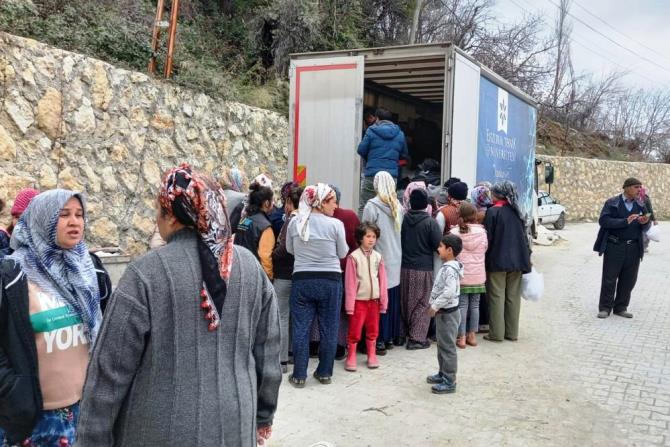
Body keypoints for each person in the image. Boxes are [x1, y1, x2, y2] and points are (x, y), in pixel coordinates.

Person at [75, 164, 281, 446]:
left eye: (159, 211)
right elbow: (269, 352)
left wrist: (92, 439)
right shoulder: (249, 267)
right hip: (235, 424)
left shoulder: (145, 274)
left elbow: (108, 374)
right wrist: (264, 415)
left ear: (171, 217)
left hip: (156, 430)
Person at [0, 189, 110, 446]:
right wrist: (13, 392)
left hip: (84, 413)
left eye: (79, 214)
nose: (75, 222)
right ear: (41, 219)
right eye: (63, 215)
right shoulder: (12, 274)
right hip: (32, 419)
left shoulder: (90, 270)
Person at [286, 184, 348, 388]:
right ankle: (324, 372)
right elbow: (342, 253)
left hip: (302, 280)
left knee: (301, 327)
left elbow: (289, 249)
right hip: (330, 281)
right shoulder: (336, 225)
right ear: (321, 202)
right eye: (332, 201)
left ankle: (299, 374)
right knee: (329, 327)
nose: (336, 205)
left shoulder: (295, 222)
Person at [594, 177, 650, 319]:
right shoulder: (612, 203)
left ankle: (621, 307)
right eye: (636, 187)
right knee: (609, 278)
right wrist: (624, 221)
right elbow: (604, 221)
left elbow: (646, 226)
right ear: (626, 188)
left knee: (629, 279)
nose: (639, 190)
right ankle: (605, 308)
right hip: (614, 245)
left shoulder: (641, 204)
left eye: (640, 187)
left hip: (633, 247)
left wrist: (645, 222)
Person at [483, 181, 531, 343]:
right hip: (517, 261)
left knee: (496, 295)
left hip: (498, 260)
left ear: (497, 194)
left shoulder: (493, 212)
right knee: (513, 296)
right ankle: (512, 333)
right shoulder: (517, 211)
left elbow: (487, 238)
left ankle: (496, 334)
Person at [362, 171, 404, 350]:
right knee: (392, 298)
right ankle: (389, 337)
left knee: (378, 300)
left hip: (379, 257)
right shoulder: (398, 206)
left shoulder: (371, 206)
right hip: (396, 257)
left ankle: (377, 339)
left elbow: (364, 232)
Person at [400, 189, 442, 350]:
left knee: (405, 302)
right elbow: (439, 246)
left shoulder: (403, 219)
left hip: (404, 267)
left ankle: (401, 334)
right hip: (423, 269)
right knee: (422, 303)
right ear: (426, 204)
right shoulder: (430, 223)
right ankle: (417, 338)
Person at [344, 222, 388, 371]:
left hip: (374, 301)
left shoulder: (378, 257)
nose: (371, 239)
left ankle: (371, 354)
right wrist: (350, 305)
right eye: (368, 236)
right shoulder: (353, 257)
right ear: (360, 238)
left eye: (374, 236)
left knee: (373, 329)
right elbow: (350, 283)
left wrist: (383, 301)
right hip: (358, 301)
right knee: (355, 330)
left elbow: (382, 280)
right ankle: (351, 355)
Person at [426, 234, 463, 394]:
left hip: (448, 314)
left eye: (441, 247)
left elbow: (449, 291)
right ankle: (443, 373)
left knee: (447, 347)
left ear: (449, 250)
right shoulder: (449, 267)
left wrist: (434, 306)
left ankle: (449, 380)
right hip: (444, 314)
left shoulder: (450, 269)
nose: (438, 249)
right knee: (442, 345)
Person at [272, 184, 303, 373]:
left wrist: (272, 255)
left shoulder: (291, 219)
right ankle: (291, 353)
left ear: (290, 203)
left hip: (284, 272)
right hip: (299, 272)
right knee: (293, 316)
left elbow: (283, 247)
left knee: (281, 316)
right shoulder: (307, 218)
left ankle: (281, 360)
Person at [450, 202, 488, 348]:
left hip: (462, 275)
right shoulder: (482, 232)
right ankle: (472, 335)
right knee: (475, 305)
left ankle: (461, 337)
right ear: (474, 215)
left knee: (462, 305)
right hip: (478, 275)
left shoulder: (454, 233)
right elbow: (485, 249)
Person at [357, 107, 409, 214]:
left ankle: (364, 231)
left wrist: (370, 159)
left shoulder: (371, 130)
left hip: (372, 174)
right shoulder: (400, 134)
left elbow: (361, 150)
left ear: (377, 119)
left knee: (364, 205)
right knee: (390, 206)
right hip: (391, 176)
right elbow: (404, 155)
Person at [234, 182, 275, 279]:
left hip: (239, 271)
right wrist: (269, 277)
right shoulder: (265, 227)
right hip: (255, 275)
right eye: (272, 201)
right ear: (266, 203)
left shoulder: (245, 220)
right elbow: (265, 257)